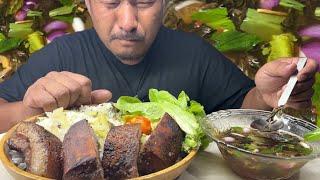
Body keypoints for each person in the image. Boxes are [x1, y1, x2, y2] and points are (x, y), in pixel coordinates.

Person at [0, 0, 317, 132]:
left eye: (144, 2)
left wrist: (266, 98)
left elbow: (244, 108)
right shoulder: (61, 54)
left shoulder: (194, 53)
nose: (127, 23)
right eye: (111, 2)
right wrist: (31, 110)